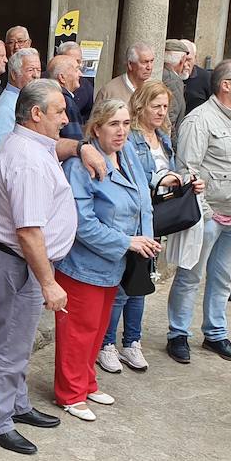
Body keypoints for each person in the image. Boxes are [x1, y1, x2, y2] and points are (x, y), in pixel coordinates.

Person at [0, 79, 77, 455]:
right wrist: (49, 282)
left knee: (19, 341)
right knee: (9, 345)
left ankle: (16, 405)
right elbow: (29, 231)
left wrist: (82, 149)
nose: (66, 120)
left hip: (19, 263)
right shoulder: (27, 158)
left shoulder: (32, 145)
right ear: (36, 114)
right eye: (58, 112)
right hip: (19, 263)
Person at [53, 99, 158, 420]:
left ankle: (86, 382)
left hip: (119, 262)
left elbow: (143, 201)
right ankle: (69, 394)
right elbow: (82, 223)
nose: (121, 131)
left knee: (98, 329)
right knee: (78, 330)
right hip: (84, 264)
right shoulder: (80, 165)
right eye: (114, 124)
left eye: (126, 124)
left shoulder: (127, 155)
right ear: (96, 127)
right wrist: (126, 241)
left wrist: (147, 242)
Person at [98, 81, 202, 376]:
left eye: (166, 107)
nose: (161, 112)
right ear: (141, 105)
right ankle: (106, 344)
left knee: (141, 285)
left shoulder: (164, 138)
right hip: (130, 223)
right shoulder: (128, 138)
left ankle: (132, 341)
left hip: (154, 220)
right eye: (156, 106)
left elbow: (169, 172)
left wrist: (186, 181)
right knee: (123, 287)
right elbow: (127, 177)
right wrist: (159, 180)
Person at [165, 60, 231, 365]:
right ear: (225, 85)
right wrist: (204, 212)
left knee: (224, 277)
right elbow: (187, 170)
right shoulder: (199, 120)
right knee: (190, 275)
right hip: (208, 215)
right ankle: (178, 334)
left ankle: (215, 333)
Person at [0, 47, 41, 155]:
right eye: (30, 70)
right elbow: (2, 154)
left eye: (39, 70)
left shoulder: (25, 99)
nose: (36, 75)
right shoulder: (5, 109)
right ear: (14, 74)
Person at [46, 53, 93, 140]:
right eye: (76, 70)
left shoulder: (46, 97)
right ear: (62, 78)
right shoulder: (66, 103)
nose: (80, 74)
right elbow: (74, 143)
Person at [95, 42, 156, 107]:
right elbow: (97, 117)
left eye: (151, 61)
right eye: (144, 62)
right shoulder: (109, 92)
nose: (149, 67)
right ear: (130, 64)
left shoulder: (155, 89)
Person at [162, 40, 189, 130]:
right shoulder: (173, 80)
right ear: (182, 60)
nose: (186, 65)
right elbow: (170, 120)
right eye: (186, 60)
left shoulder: (162, 74)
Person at [182, 40, 213, 114]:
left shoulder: (206, 78)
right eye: (182, 60)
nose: (185, 64)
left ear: (195, 58)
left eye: (188, 59)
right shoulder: (169, 78)